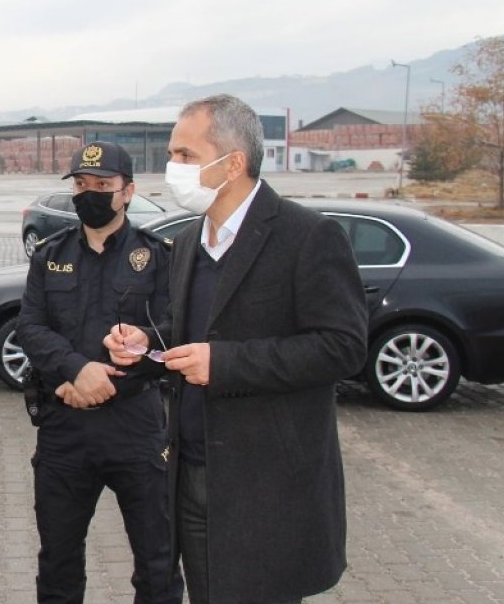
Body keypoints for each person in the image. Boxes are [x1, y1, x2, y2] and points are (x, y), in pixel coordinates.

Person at [106, 94, 368, 604]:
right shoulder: (186, 242)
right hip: (193, 476)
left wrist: (222, 364)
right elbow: (192, 330)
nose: (172, 168)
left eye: (185, 155)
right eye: (171, 154)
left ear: (234, 163)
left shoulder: (308, 237)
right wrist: (145, 343)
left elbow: (342, 347)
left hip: (268, 489)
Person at [17, 142, 183, 604]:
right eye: (81, 184)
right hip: (65, 428)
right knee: (58, 563)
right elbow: (30, 326)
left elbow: (171, 330)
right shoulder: (49, 254)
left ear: (127, 191)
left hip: (136, 428)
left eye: (103, 186)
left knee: (157, 562)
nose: (88, 194)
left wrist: (117, 371)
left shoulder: (157, 255)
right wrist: (77, 371)